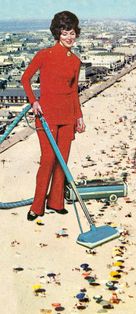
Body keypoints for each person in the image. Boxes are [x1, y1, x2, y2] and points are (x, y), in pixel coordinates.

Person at [21, 11, 85, 221]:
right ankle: (36, 207)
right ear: (58, 33)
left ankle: (56, 203)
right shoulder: (44, 55)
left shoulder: (76, 61)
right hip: (46, 116)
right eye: (66, 32)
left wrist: (79, 117)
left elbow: (74, 91)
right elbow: (25, 79)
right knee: (48, 160)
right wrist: (34, 101)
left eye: (73, 33)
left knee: (62, 161)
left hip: (68, 117)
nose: (70, 37)